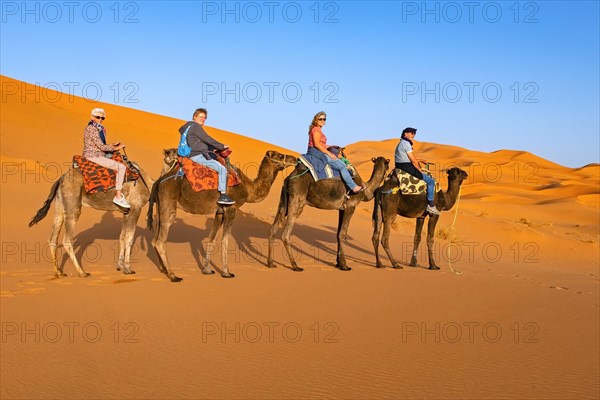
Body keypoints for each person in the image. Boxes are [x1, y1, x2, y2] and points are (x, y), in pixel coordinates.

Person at [180, 108, 235, 205]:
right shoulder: (195, 127)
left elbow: (198, 142)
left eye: (204, 118)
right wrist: (221, 146)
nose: (203, 119)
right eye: (200, 117)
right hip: (197, 156)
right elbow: (207, 138)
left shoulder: (187, 128)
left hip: (192, 154)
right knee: (222, 169)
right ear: (194, 117)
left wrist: (212, 148)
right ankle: (223, 196)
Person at [83, 108, 130, 208]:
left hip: (98, 153)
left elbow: (100, 145)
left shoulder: (99, 128)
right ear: (92, 117)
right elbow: (101, 147)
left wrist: (112, 145)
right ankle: (118, 195)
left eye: (102, 118)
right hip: (94, 156)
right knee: (121, 167)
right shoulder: (91, 128)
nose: (100, 119)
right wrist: (116, 147)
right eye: (98, 117)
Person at [306, 111, 363, 193]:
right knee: (342, 165)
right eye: (320, 119)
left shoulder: (317, 129)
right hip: (316, 152)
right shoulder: (316, 130)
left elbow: (321, 144)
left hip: (317, 151)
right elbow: (317, 145)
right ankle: (353, 187)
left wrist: (330, 146)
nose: (322, 120)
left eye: (324, 119)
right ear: (316, 120)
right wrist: (330, 154)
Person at [394, 127, 440, 215]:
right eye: (411, 133)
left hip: (401, 165)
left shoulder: (401, 143)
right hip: (407, 167)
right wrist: (419, 170)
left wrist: (420, 160)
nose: (413, 135)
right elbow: (412, 160)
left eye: (414, 133)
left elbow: (405, 158)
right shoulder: (406, 144)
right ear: (405, 134)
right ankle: (431, 205)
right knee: (431, 182)